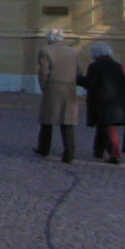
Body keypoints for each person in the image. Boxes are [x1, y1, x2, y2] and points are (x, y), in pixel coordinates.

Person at [35, 29, 83, 163]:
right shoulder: (73, 52)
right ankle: (70, 153)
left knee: (47, 120)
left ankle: (44, 148)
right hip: (69, 88)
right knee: (68, 121)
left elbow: (44, 71)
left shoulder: (45, 51)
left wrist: (43, 86)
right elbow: (79, 70)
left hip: (53, 87)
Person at [81, 41, 125, 165]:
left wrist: (78, 79)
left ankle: (115, 155)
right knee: (103, 127)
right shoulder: (118, 66)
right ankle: (98, 151)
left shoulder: (94, 66)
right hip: (118, 103)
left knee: (109, 129)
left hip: (103, 103)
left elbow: (90, 83)